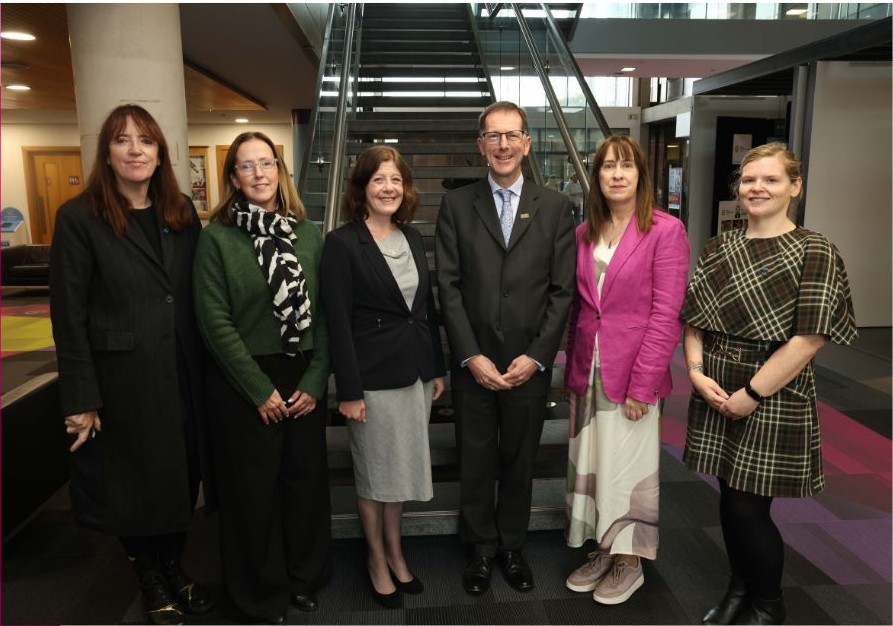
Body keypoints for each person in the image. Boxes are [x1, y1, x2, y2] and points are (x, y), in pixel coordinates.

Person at [49, 104, 213, 625]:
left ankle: (174, 566)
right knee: (134, 486)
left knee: (182, 475)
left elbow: (196, 293)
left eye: (145, 140)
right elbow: (67, 313)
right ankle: (149, 576)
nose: (135, 150)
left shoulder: (181, 211)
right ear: (108, 153)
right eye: (123, 141)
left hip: (183, 371)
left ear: (161, 151)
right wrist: (81, 398)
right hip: (123, 380)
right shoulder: (80, 217)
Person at [682, 143, 857, 625]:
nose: (757, 188)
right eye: (749, 179)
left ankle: (768, 602)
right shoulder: (720, 246)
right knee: (727, 495)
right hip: (716, 382)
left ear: (795, 187)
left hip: (774, 389)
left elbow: (808, 340)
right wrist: (696, 373)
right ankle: (739, 588)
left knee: (749, 504)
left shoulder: (815, 249)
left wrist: (752, 394)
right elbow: (694, 321)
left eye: (771, 179)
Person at [435, 101, 575, 595]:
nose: (502, 145)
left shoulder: (556, 207)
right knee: (475, 458)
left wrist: (537, 356)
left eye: (511, 135)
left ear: (527, 143)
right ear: (480, 145)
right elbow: (446, 287)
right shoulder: (456, 205)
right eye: (493, 136)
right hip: (474, 362)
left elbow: (562, 291)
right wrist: (469, 355)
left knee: (520, 457)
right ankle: (479, 547)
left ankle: (512, 546)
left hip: (527, 363)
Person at [193, 132, 331, 625]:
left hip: (303, 372)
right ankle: (259, 593)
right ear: (233, 178)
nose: (258, 174)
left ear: (280, 170)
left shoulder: (309, 235)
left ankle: (304, 578)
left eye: (266, 163)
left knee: (304, 481)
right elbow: (214, 321)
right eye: (246, 166)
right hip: (244, 379)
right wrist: (258, 389)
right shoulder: (216, 238)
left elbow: (327, 315)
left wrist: (316, 380)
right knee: (252, 492)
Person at [563, 135, 690, 605]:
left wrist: (643, 385)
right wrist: (572, 371)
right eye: (608, 167)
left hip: (633, 373)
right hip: (587, 370)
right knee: (594, 466)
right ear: (596, 177)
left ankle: (630, 560)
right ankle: (603, 547)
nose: (617, 174)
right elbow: (582, 309)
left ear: (641, 175)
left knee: (627, 470)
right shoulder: (584, 233)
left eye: (627, 166)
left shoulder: (665, 230)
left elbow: (666, 314)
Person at [320, 145, 445, 608]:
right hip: (370, 383)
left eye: (395, 180)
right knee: (375, 479)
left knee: (402, 474)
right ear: (362, 189)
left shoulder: (412, 238)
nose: (389, 188)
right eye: (379, 180)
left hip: (413, 376)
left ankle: (396, 549)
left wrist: (435, 367)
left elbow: (423, 311)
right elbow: (337, 321)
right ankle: (376, 558)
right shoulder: (341, 243)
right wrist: (347, 391)